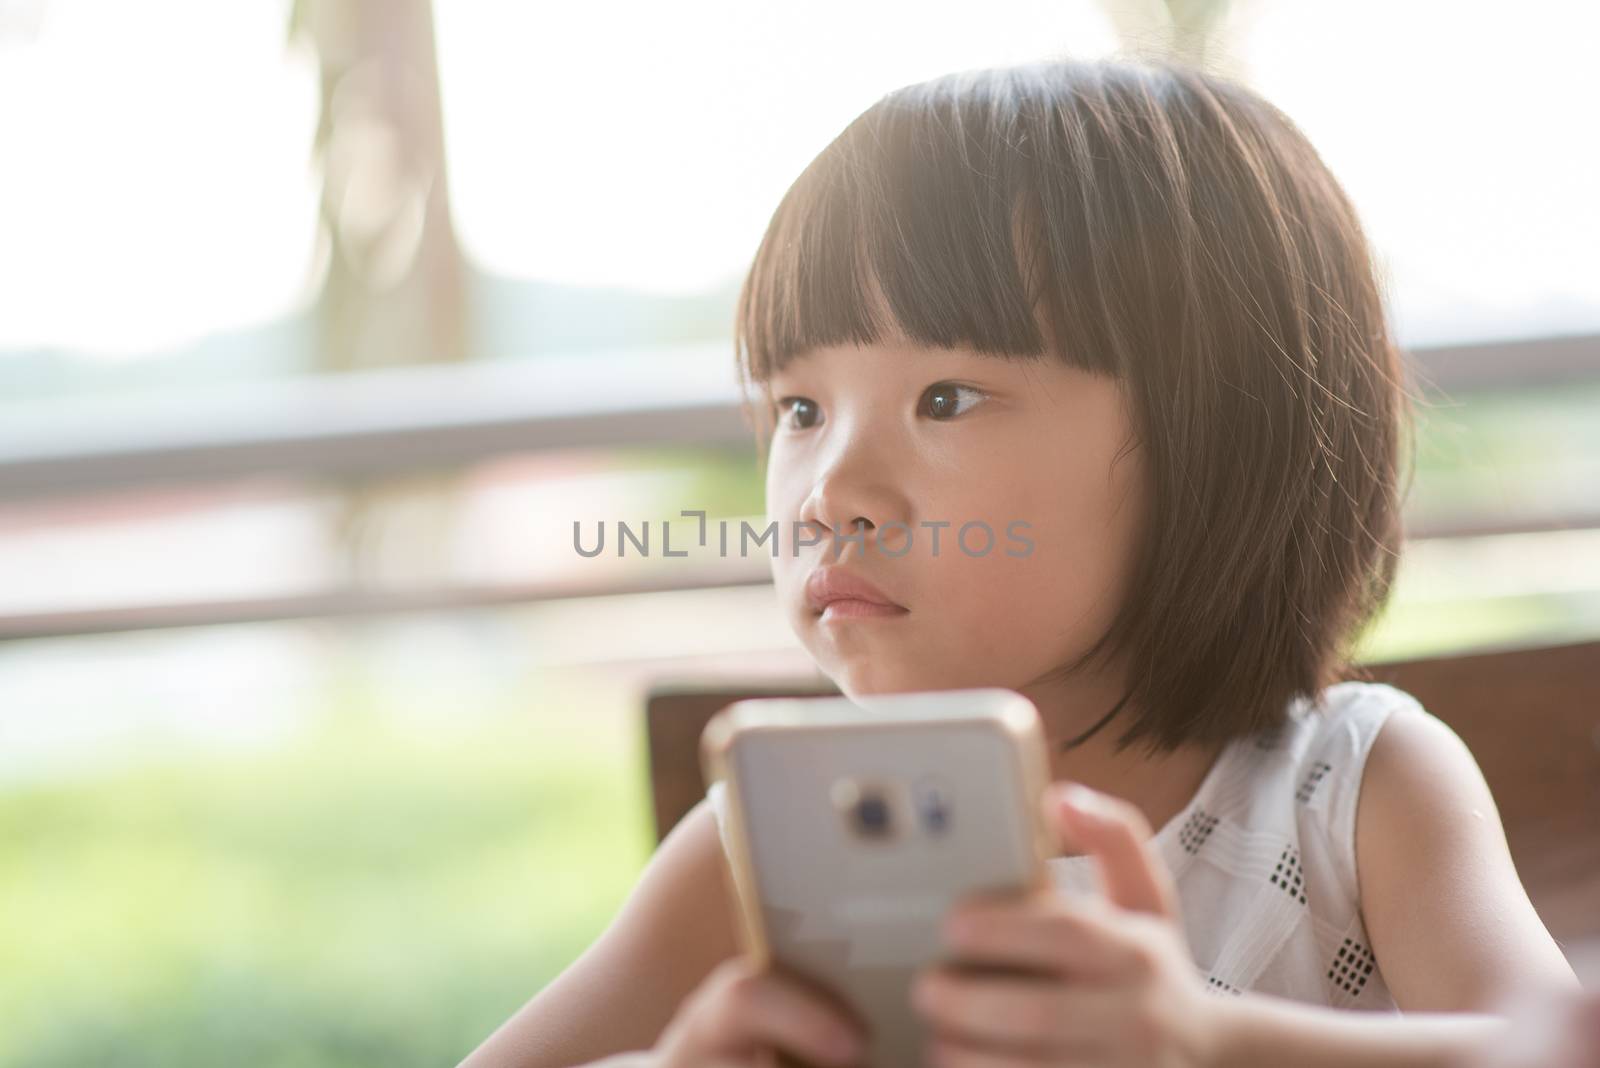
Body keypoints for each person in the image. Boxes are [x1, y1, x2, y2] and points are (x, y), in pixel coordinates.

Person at [458, 55, 1581, 1068]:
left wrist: (1209, 1041)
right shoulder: (770, 838)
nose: (828, 493)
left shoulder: (1355, 794)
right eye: (798, 407)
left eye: (944, 399)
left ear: (1220, 438)